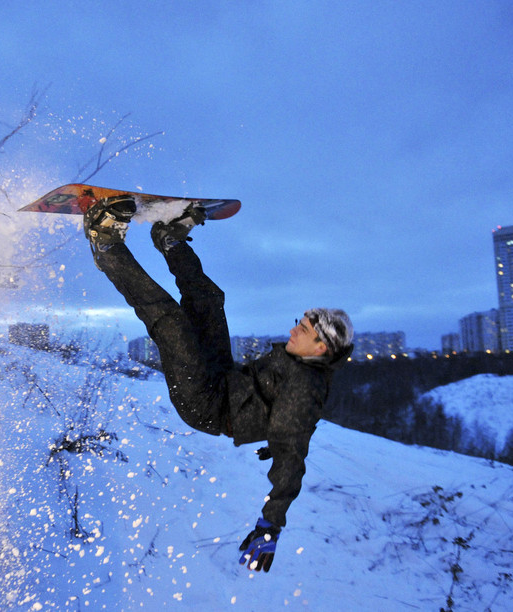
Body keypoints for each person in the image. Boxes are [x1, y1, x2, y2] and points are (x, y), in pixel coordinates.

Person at [83, 195, 354, 573]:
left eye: (304, 329)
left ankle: (105, 243)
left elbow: (292, 453)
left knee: (170, 321)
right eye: (300, 321)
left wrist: (270, 524)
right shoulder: (302, 362)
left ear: (321, 347)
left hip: (207, 406)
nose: (294, 329)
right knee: (209, 299)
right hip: (224, 378)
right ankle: (169, 239)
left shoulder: (306, 389)